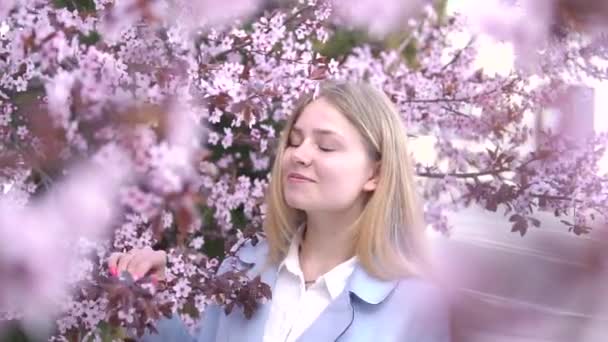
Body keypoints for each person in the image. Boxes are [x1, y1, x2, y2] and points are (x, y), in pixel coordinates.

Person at [108, 81, 451, 342]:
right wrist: (156, 293)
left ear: (375, 173)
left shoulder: (416, 307)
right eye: (294, 140)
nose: (299, 154)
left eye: (326, 145)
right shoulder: (244, 264)